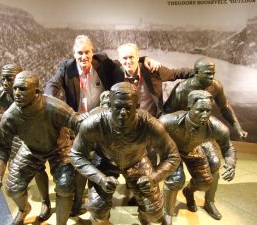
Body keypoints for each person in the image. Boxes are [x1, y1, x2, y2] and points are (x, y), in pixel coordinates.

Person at [44, 35, 160, 216]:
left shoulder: (104, 63)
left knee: (108, 160)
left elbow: (128, 61)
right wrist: (49, 102)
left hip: (103, 124)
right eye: (79, 53)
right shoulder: (66, 68)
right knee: (80, 160)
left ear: (93, 52)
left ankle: (128, 198)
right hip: (79, 123)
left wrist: (144, 60)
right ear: (74, 54)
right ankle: (78, 201)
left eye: (87, 52)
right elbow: (52, 85)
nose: (83, 57)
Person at [69, 82, 181, 225]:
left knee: (154, 211)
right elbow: (76, 154)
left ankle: (145, 218)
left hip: (137, 161)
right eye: (117, 107)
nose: (123, 113)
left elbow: (173, 156)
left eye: (128, 108)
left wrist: (154, 177)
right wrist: (100, 178)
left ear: (137, 107)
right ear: (109, 105)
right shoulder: (94, 123)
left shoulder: (150, 125)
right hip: (104, 161)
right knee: (97, 209)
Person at [0, 71, 83, 225]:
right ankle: (24, 208)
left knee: (65, 187)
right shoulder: (11, 115)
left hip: (59, 149)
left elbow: (78, 124)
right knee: (13, 188)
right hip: (31, 149)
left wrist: (81, 150)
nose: (17, 93)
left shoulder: (55, 107)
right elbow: (1, 145)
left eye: (22, 89)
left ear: (37, 92)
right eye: (15, 89)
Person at [162, 57, 247, 220]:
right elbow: (166, 113)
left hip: (201, 131)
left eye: (213, 73)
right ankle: (167, 211)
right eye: (207, 74)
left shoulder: (215, 86)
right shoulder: (182, 90)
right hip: (179, 129)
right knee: (176, 178)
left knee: (214, 164)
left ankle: (208, 200)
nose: (211, 77)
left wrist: (237, 127)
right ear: (196, 73)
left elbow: (225, 107)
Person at [0, 64, 51, 221]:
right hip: (12, 137)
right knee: (15, 173)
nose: (6, 83)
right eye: (3, 79)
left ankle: (45, 200)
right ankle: (23, 207)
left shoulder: (31, 94)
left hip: (32, 136)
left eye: (10, 79)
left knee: (39, 169)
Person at [159, 90, 237, 225]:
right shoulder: (168, 121)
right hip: (173, 149)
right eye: (200, 110)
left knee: (206, 180)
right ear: (189, 108)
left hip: (194, 147)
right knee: (176, 179)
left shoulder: (216, 127)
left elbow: (228, 147)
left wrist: (231, 162)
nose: (205, 115)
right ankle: (167, 213)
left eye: (208, 110)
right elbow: (152, 137)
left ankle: (192, 194)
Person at [114, 43, 194, 118]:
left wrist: (199, 71)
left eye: (131, 57)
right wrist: (145, 58)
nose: (128, 61)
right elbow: (102, 59)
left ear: (138, 58)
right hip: (127, 123)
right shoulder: (115, 74)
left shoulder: (152, 70)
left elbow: (176, 73)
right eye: (124, 58)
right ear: (120, 60)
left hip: (151, 121)